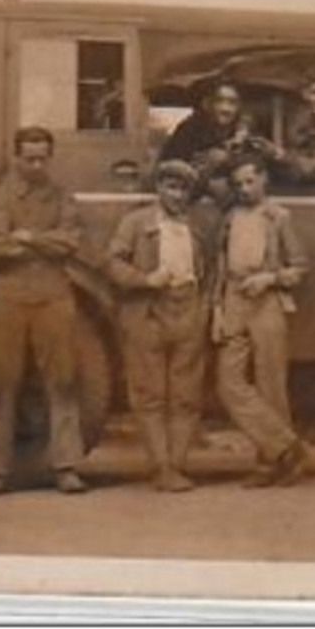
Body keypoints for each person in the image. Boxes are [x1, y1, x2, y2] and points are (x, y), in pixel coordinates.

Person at [0, 127, 88, 497]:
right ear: (16, 157)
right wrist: (41, 242)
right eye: (29, 157)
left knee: (63, 381)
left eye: (42, 157)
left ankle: (67, 467)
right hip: (9, 298)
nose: (37, 164)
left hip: (55, 296)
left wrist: (28, 238)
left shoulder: (62, 196)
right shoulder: (1, 196)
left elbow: (70, 242)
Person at [105, 160, 214, 492]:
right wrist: (144, 279)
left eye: (183, 189)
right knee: (150, 394)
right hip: (147, 312)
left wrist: (202, 308)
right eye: (170, 186)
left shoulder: (195, 225)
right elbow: (111, 262)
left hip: (188, 309)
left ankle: (178, 464)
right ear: (158, 188)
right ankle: (161, 466)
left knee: (186, 394)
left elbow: (207, 270)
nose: (177, 195)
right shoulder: (135, 222)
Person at [212, 156, 311, 487]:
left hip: (267, 300)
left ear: (264, 179)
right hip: (233, 299)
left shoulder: (279, 217)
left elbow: (300, 267)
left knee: (272, 385)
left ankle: (271, 464)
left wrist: (269, 279)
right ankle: (288, 446)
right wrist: (218, 307)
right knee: (229, 383)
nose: (243, 189)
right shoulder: (229, 217)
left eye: (249, 181)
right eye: (238, 184)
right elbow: (220, 266)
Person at [160, 81, 271, 201]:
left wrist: (227, 159)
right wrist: (208, 181)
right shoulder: (189, 129)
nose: (226, 108)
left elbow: (256, 175)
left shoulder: (246, 132)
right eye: (220, 101)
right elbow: (168, 174)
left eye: (232, 103)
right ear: (208, 104)